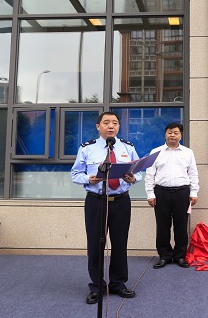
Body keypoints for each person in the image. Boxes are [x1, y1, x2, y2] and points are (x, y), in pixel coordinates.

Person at [71, 111, 140, 304]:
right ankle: (97, 286)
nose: (111, 126)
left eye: (115, 123)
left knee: (120, 243)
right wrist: (88, 179)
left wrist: (133, 178)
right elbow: (75, 173)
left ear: (119, 127)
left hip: (121, 201)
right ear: (98, 126)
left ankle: (118, 283)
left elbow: (139, 171)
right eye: (107, 122)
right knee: (95, 244)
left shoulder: (128, 147)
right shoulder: (87, 148)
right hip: (96, 200)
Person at [144, 123, 199, 269]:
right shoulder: (156, 152)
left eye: (175, 132)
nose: (172, 135)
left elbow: (193, 173)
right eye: (169, 132)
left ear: (180, 135)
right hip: (161, 192)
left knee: (181, 227)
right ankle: (165, 256)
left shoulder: (188, 152)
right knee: (162, 226)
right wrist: (150, 194)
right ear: (165, 134)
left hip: (182, 193)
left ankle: (180, 256)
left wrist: (193, 193)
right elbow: (149, 175)